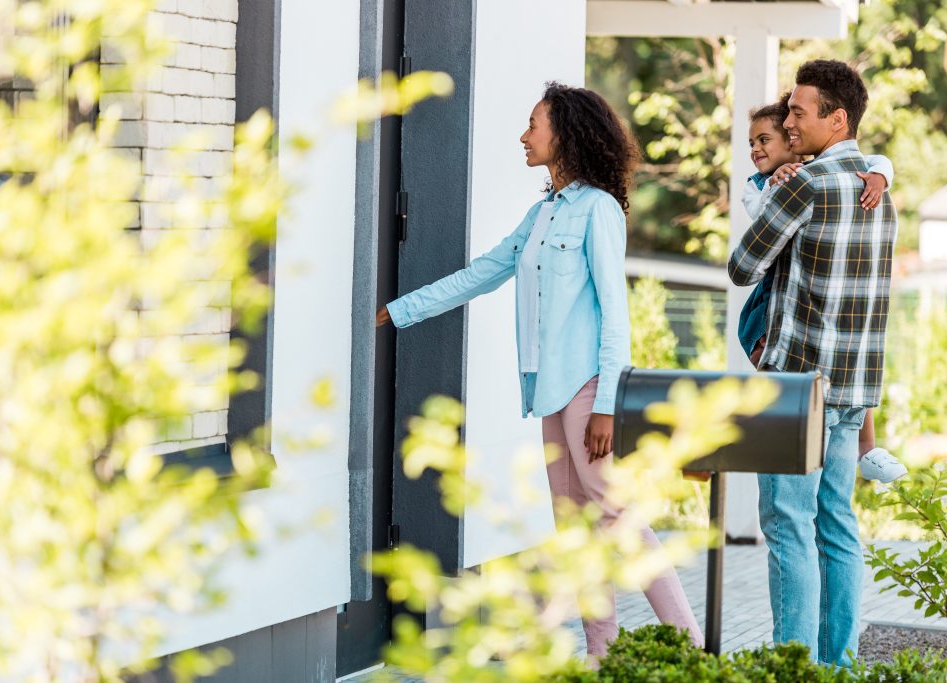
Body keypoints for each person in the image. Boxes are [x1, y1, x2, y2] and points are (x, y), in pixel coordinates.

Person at [377, 82, 703, 660]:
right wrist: (399, 311)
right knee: (578, 529)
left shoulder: (598, 209)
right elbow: (483, 272)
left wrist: (606, 403)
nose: (524, 137)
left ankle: (693, 649)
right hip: (550, 394)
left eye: (534, 125)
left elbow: (614, 312)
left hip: (587, 390)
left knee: (617, 516)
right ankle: (601, 654)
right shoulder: (544, 212)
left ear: (566, 134)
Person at [727, 60, 899, 666]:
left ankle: (793, 667)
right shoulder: (882, 192)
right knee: (837, 524)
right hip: (854, 389)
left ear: (837, 118)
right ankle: (841, 667)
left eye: (798, 112)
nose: (788, 121)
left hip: (797, 389)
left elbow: (742, 267)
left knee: (789, 526)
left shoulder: (802, 184)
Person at [740, 95, 907, 484]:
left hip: (805, 308)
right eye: (752, 143)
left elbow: (878, 160)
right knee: (766, 349)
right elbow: (758, 221)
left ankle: (869, 448)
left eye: (765, 140)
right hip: (772, 296)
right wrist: (777, 188)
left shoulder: (816, 175)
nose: (755, 150)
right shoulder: (764, 185)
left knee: (848, 374)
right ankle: (772, 404)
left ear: (790, 141)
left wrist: (881, 177)